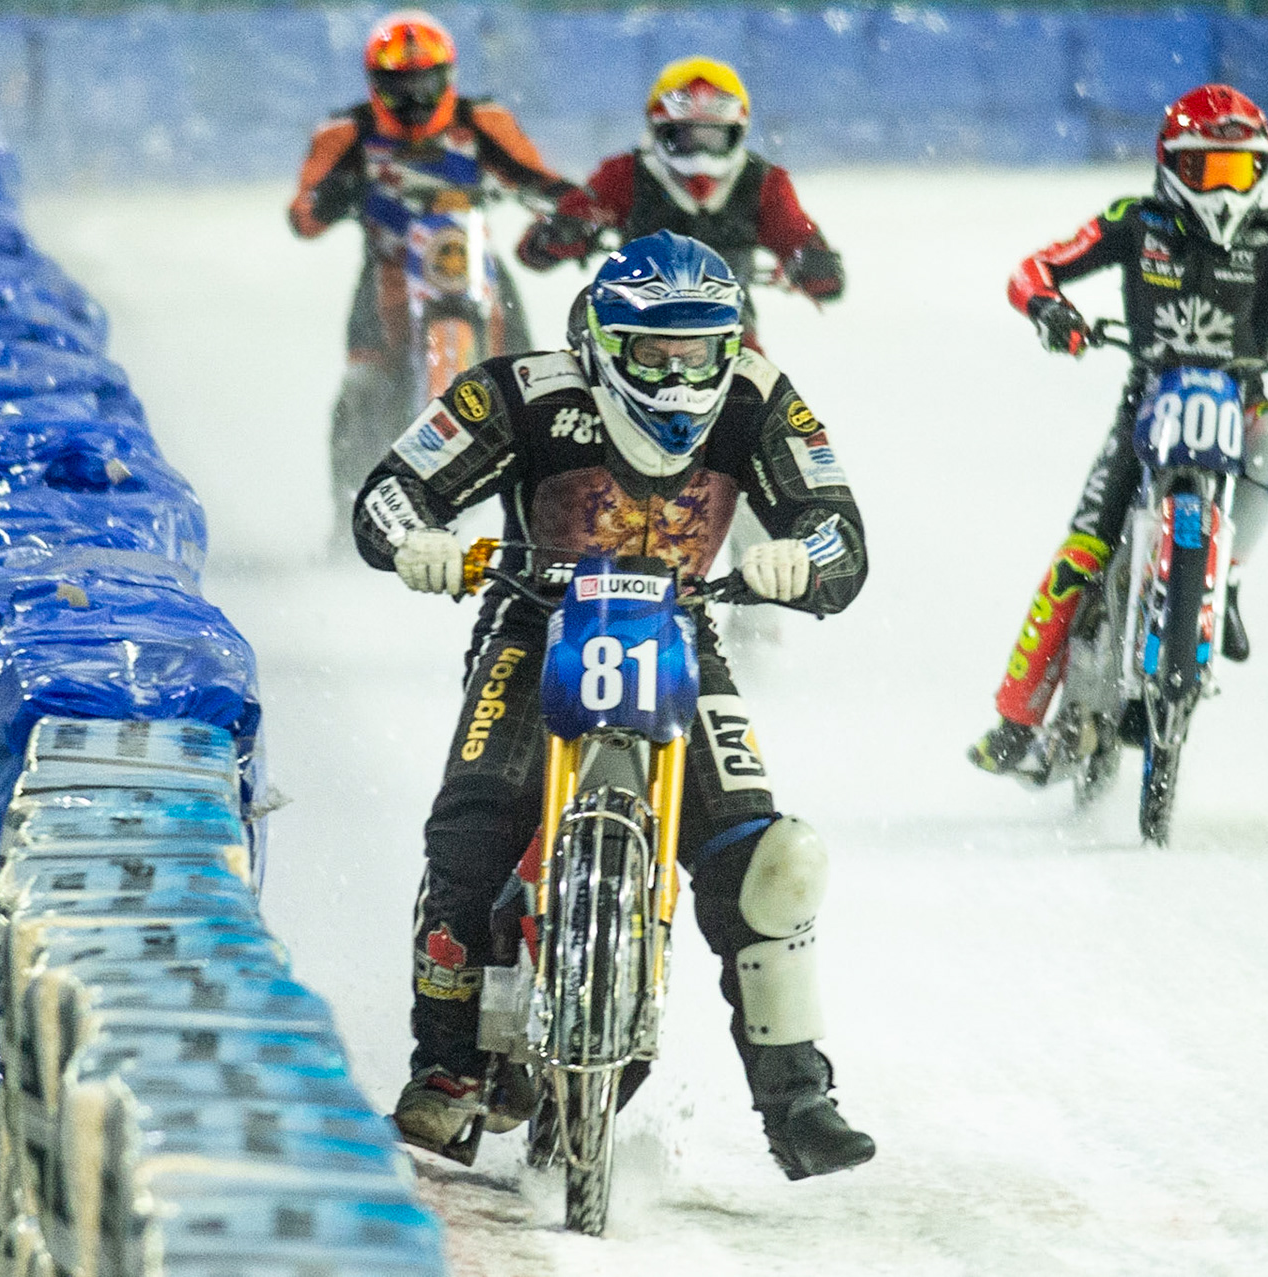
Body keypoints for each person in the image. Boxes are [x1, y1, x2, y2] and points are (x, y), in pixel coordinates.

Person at [352, 231, 875, 1180]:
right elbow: (390, 492)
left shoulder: (758, 396)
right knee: (468, 835)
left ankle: (799, 1097)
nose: (680, 375)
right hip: (534, 625)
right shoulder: (517, 390)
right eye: (653, 352)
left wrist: (801, 559)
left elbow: (840, 529)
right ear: (600, 340)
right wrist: (417, 542)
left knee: (768, 861)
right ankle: (447, 1067)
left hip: (684, 631)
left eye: (700, 350)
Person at [968, 85, 1268, 778]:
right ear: (1173, 168)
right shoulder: (1133, 220)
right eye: (1208, 169)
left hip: (1240, 411)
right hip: (1146, 408)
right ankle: (1015, 717)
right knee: (1080, 557)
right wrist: (1051, 312)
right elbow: (1034, 270)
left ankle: (1227, 579)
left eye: (1240, 171)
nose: (1225, 187)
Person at [288, 10, 580, 500]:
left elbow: (536, 176)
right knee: (362, 386)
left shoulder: (483, 120)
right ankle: (349, 510)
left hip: (472, 264)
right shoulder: (345, 132)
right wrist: (332, 195)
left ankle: (544, 504)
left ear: (449, 78)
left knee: (532, 381)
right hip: (389, 273)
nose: (414, 98)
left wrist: (572, 210)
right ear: (374, 84)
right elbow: (303, 216)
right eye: (399, 85)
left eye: (426, 83)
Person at [512, 56, 845, 349]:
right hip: (630, 319)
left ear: (736, 133)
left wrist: (815, 264)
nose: (699, 151)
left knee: (756, 398)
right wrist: (559, 234)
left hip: (728, 328)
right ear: (660, 132)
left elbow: (803, 243)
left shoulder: (764, 183)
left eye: (712, 136)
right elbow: (535, 249)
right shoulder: (625, 174)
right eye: (686, 136)